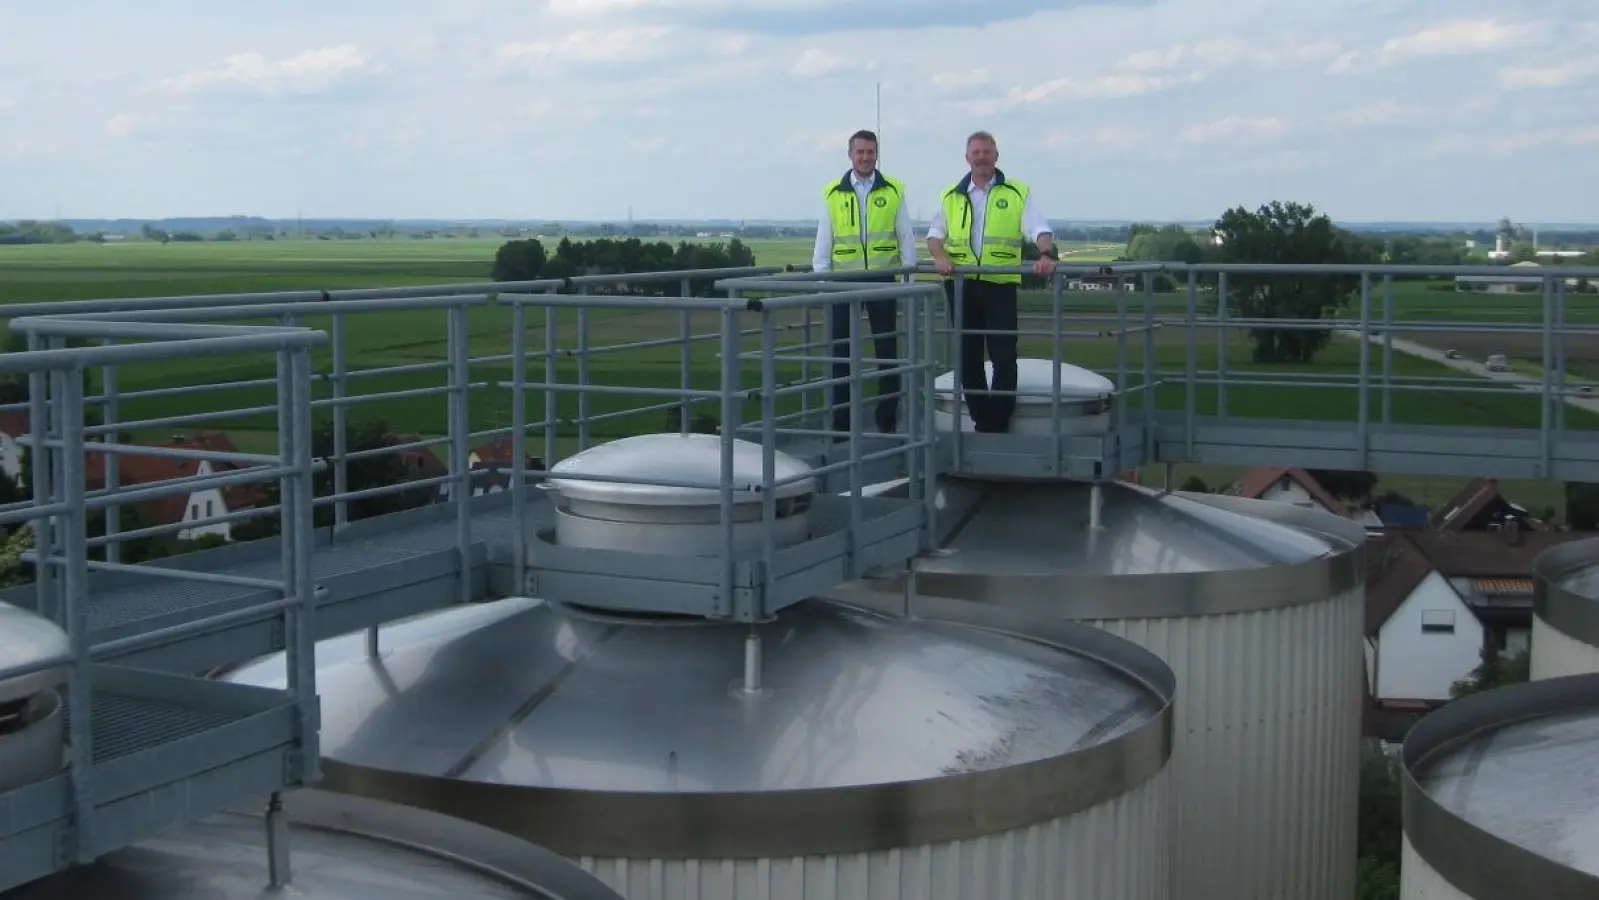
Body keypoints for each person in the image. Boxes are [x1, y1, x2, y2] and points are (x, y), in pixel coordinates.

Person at [927, 130, 1058, 433]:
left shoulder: (1017, 192)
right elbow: (934, 236)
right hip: (961, 286)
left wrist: (1045, 254)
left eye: (987, 152)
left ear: (996, 156)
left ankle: (997, 420)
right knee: (967, 354)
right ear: (967, 158)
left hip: (999, 284)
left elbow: (1039, 228)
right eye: (976, 152)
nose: (982, 157)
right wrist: (939, 256)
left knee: (1003, 353)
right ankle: (980, 417)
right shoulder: (951, 195)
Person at [811, 129, 918, 437]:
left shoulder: (894, 190)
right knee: (840, 356)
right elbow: (823, 244)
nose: (865, 157)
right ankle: (842, 426)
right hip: (842, 283)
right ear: (850, 155)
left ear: (876, 154)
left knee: (887, 353)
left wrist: (908, 282)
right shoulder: (833, 192)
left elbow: (906, 238)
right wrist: (824, 285)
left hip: (882, 280)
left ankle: (887, 420)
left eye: (870, 152)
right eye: (860, 152)